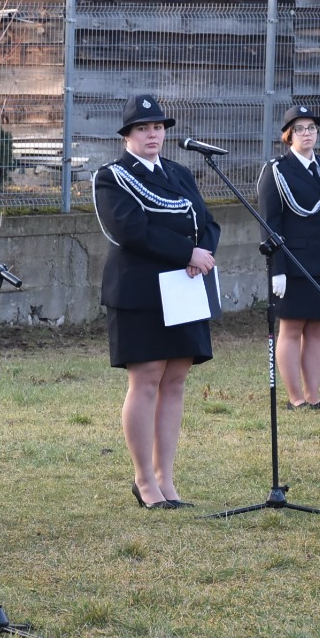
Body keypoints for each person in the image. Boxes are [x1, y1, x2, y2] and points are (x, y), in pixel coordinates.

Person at [93, 94, 219, 510]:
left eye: (159, 127)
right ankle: (144, 480)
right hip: (140, 291)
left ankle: (166, 478)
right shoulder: (112, 177)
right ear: (127, 134)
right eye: (143, 128)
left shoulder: (179, 173)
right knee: (146, 380)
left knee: (176, 379)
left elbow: (207, 221)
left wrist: (203, 253)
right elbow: (132, 230)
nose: (153, 134)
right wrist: (187, 253)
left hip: (183, 287)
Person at [257, 105, 320, 409]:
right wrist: (277, 269)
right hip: (294, 263)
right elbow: (270, 224)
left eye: (312, 128)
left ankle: (314, 396)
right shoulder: (277, 170)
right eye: (299, 129)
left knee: (317, 330)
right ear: (288, 135)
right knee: (291, 329)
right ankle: (296, 398)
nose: (307, 134)